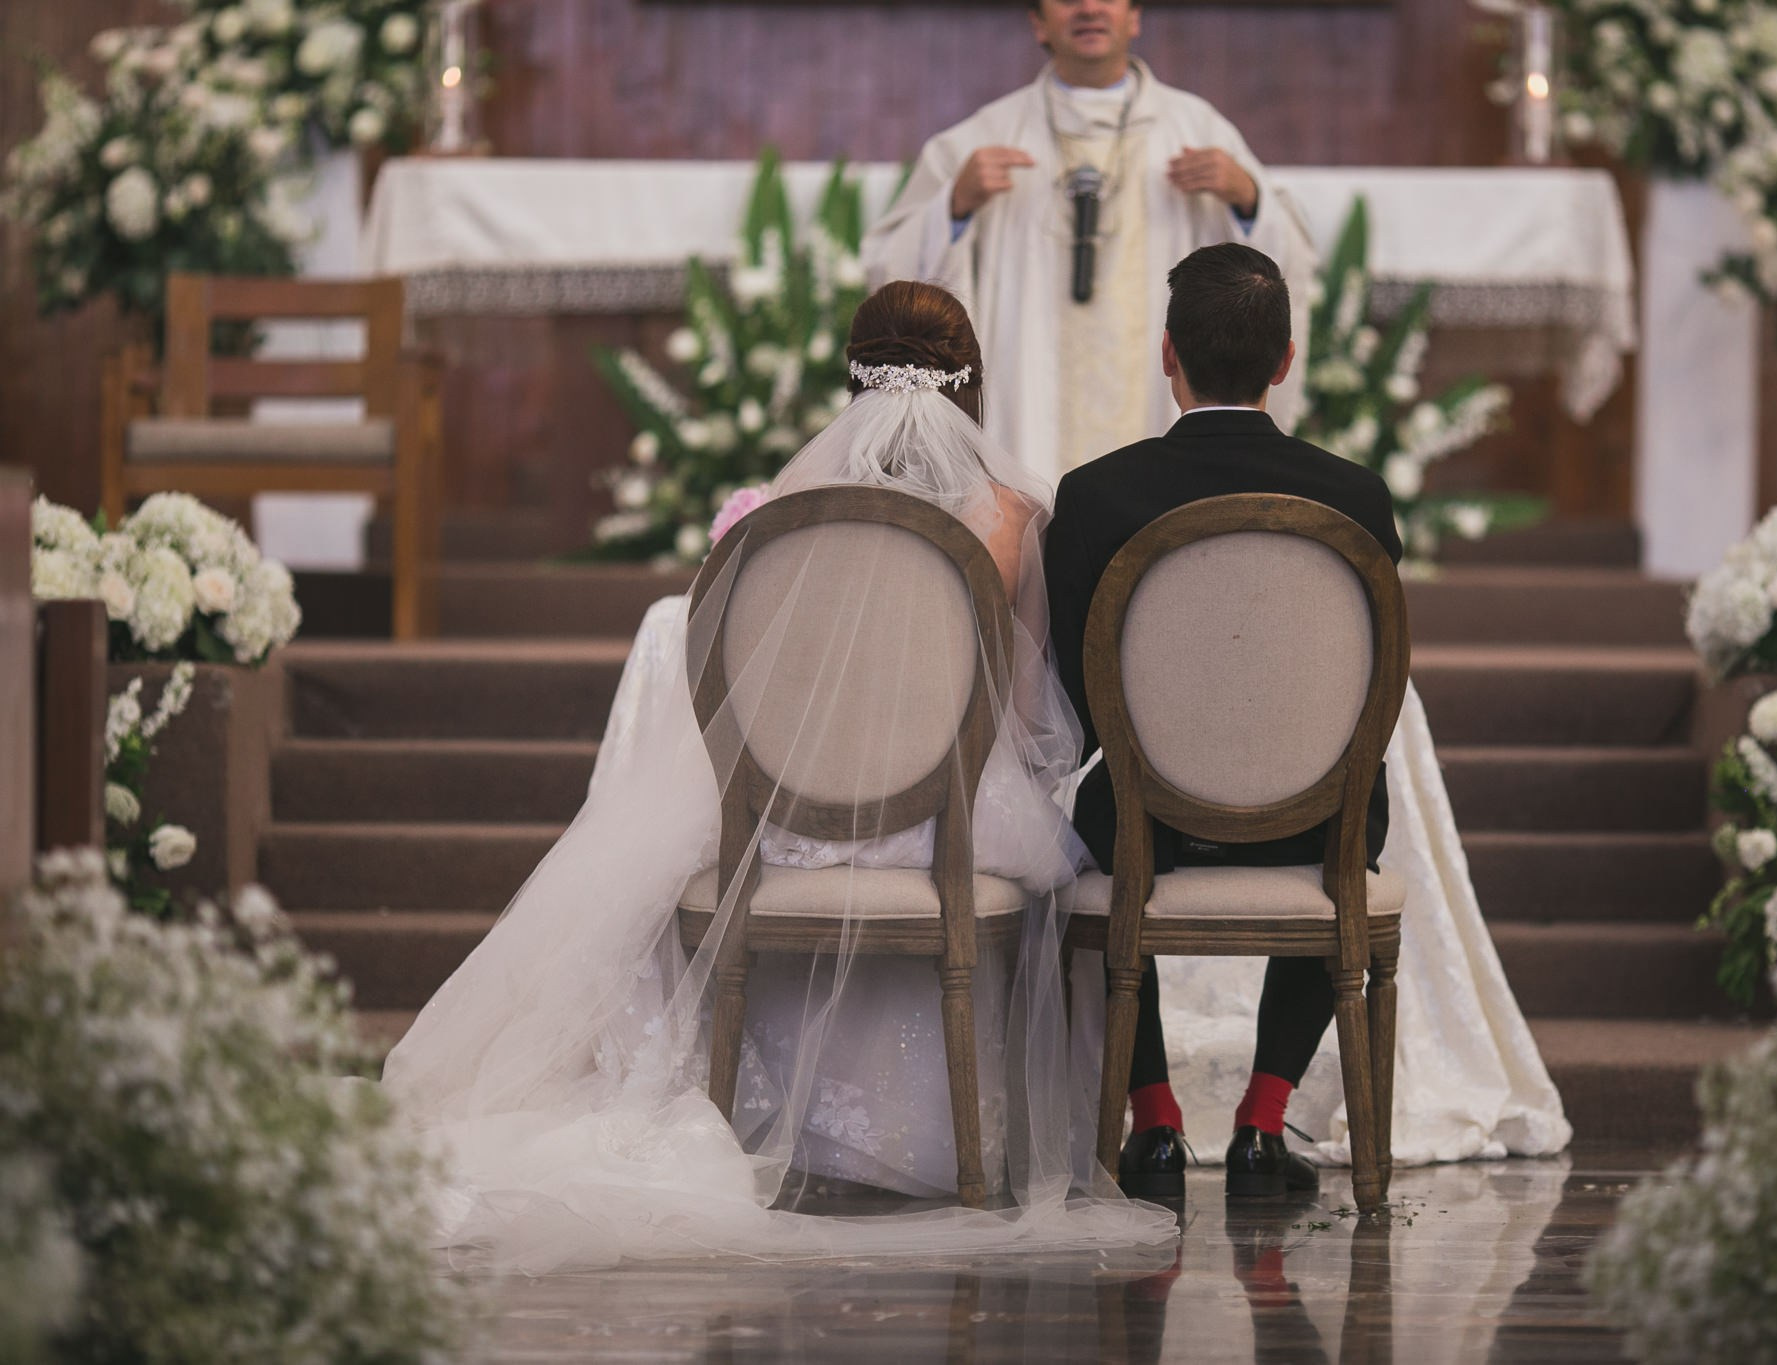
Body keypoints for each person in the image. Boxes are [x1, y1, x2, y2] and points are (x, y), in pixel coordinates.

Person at [380, 282, 1176, 1271]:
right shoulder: (1013, 520)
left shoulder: (782, 516)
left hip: (790, 823)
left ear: (852, 379)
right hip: (949, 827)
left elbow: (736, 713)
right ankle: (974, 1138)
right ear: (970, 387)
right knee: (1058, 864)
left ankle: (752, 1117)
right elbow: (1024, 725)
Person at [1045, 243, 1572, 1200]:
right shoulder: (1355, 501)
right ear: (1286, 361)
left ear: (1168, 353)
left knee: (1074, 827)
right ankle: (1259, 1121)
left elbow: (1068, 684)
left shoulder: (1093, 499)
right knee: (1348, 817)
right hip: (1310, 823)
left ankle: (1154, 1122)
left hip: (1139, 828)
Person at [863, 0, 1317, 488]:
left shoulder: (1196, 130)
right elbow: (893, 271)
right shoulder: (983, 138)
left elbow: (1285, 263)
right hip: (1027, 400)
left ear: (1134, 17)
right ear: (1038, 23)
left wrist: (1245, 198)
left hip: (1153, 388)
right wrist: (952, 208)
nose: (1088, 8)